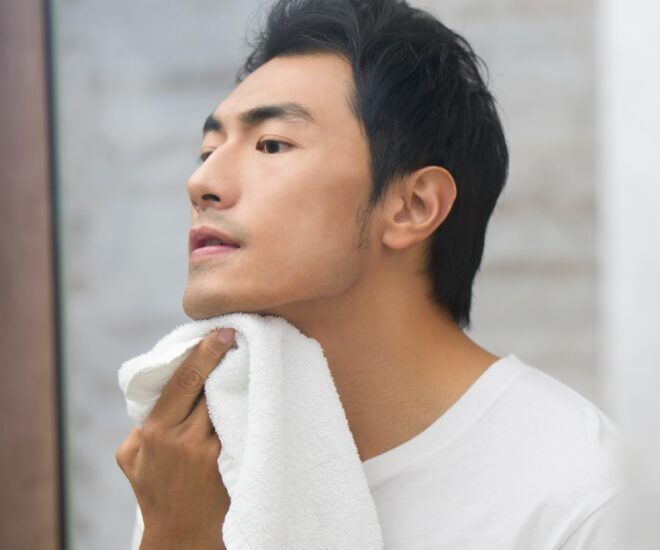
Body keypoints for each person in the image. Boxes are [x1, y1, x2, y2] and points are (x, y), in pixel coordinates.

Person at [115, 0, 626, 548]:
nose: (201, 183)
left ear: (413, 206)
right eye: (208, 150)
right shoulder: (201, 464)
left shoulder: (583, 498)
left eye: (271, 144)